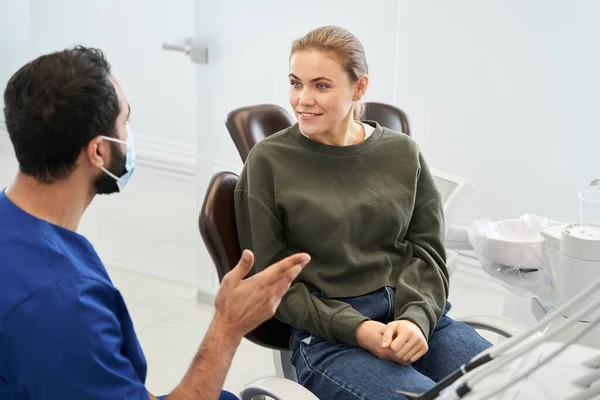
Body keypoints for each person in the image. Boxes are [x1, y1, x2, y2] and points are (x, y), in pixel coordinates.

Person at [0, 46, 311, 400]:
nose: (129, 136)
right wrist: (228, 324)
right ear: (98, 151)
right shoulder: (60, 302)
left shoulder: (20, 229)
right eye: (125, 122)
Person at [234, 26, 493, 399]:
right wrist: (357, 329)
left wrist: (417, 320)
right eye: (295, 83)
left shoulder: (403, 153)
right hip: (330, 337)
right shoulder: (268, 162)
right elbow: (272, 283)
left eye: (321, 85)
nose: (303, 99)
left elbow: (429, 255)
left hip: (419, 320)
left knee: (511, 385)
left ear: (359, 87)